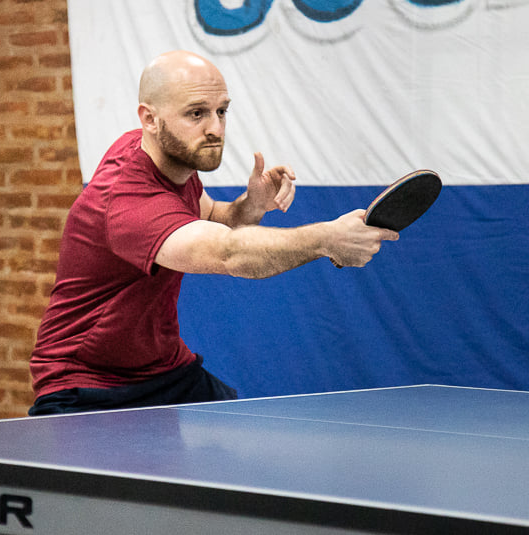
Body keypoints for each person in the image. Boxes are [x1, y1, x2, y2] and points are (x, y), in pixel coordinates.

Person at [28, 50, 398, 415]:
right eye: (196, 114)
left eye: (221, 111)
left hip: (164, 369)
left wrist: (251, 206)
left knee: (238, 445)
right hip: (86, 383)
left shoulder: (163, 156)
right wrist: (326, 239)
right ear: (150, 119)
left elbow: (211, 216)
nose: (215, 129)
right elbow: (228, 252)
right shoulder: (127, 199)